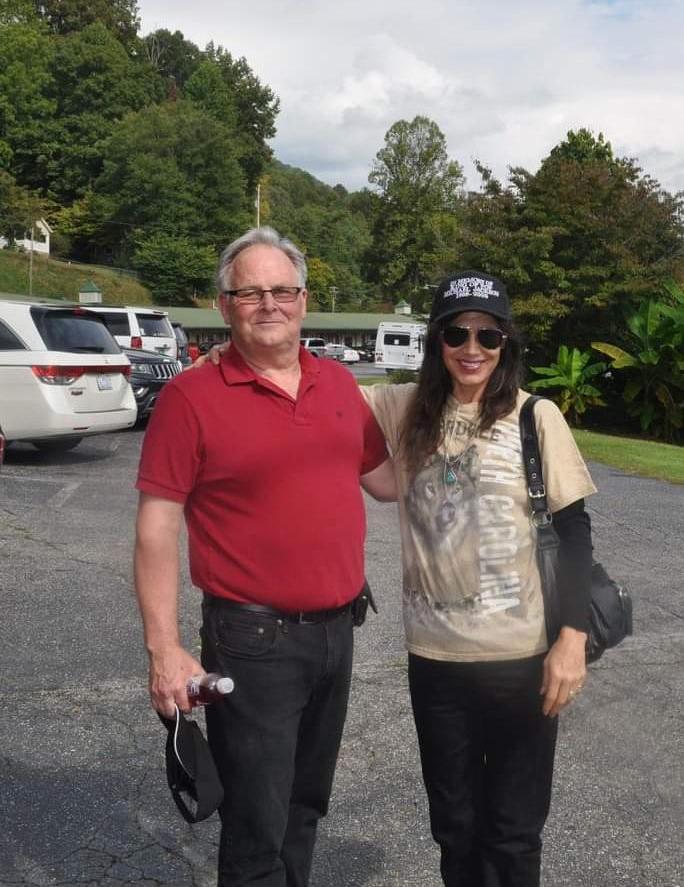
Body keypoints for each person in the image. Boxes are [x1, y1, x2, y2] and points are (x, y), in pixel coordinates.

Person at [133, 226, 395, 887]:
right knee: (257, 824)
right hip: (252, 642)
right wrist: (164, 648)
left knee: (304, 807)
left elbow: (388, 481)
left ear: (304, 300)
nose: (269, 303)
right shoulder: (191, 398)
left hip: (338, 632)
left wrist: (466, 435)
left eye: (282, 289)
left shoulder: (338, 383)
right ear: (224, 306)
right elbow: (157, 528)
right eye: (250, 292)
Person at [362, 271, 597, 887]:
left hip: (521, 660)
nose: (472, 348)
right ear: (437, 340)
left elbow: (575, 534)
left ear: (505, 343)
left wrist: (571, 640)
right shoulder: (404, 408)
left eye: (488, 335)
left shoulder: (535, 417)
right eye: (457, 333)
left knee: (514, 831)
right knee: (455, 827)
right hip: (435, 660)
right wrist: (237, 353)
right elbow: (314, 393)